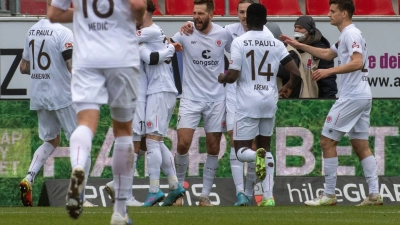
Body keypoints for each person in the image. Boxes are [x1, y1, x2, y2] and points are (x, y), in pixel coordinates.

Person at [48, 0, 146, 224]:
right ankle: (120, 212)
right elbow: (139, 6)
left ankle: (79, 166)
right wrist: (131, 18)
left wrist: (88, 15)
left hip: (87, 58)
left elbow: (53, 14)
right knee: (123, 130)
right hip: (121, 56)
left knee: (85, 122)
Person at [280, 0, 382, 206]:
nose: (329, 14)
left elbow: (357, 62)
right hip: (362, 94)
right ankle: (374, 194)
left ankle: (329, 194)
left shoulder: (351, 34)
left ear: (344, 14)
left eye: (333, 11)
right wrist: (299, 45)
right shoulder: (347, 35)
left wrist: (328, 71)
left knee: (327, 141)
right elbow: (328, 53)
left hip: (352, 96)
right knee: (360, 145)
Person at [218, 3, 301, 207]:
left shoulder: (240, 42)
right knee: (266, 147)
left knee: (241, 152)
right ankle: (268, 197)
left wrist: (223, 77)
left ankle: (257, 157)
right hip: (269, 101)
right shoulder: (276, 43)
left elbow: (234, 74)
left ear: (247, 20)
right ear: (265, 21)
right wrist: (289, 86)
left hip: (247, 103)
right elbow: (296, 73)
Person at [18, 0, 83, 208]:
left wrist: (44, 69)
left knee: (51, 140)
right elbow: (71, 65)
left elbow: (23, 67)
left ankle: (29, 177)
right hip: (62, 95)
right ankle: (78, 195)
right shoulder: (63, 32)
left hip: (40, 95)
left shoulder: (32, 30)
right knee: (79, 143)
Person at [171, 0, 233, 206]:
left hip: (217, 99)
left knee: (213, 147)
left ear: (211, 15)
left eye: (200, 13)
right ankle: (178, 191)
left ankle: (204, 195)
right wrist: (173, 41)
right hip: (190, 97)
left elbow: (238, 52)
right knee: (182, 143)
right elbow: (169, 45)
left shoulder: (223, 34)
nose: (196, 17)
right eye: (194, 13)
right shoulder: (185, 33)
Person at [134, 0, 185, 207]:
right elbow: (147, 55)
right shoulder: (149, 33)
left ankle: (154, 190)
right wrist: (171, 46)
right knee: (156, 140)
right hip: (159, 88)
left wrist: (171, 49)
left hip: (160, 89)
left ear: (145, 12)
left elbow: (152, 58)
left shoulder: (150, 31)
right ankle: (174, 186)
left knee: (152, 141)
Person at [289, 15, 337, 98]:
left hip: (315, 100)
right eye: (295, 27)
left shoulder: (320, 51)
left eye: (300, 28)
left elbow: (328, 80)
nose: (296, 30)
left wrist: (329, 100)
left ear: (310, 31)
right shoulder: (292, 49)